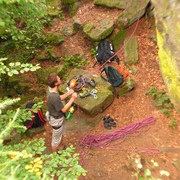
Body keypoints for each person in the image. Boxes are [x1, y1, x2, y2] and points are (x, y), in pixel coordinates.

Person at [46, 73, 77, 152]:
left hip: (53, 115)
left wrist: (68, 93)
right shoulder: (53, 96)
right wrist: (72, 98)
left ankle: (60, 146)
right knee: (55, 140)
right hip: (56, 120)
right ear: (56, 83)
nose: (60, 78)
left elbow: (59, 98)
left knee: (59, 134)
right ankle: (55, 156)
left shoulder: (50, 89)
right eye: (58, 79)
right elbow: (63, 109)